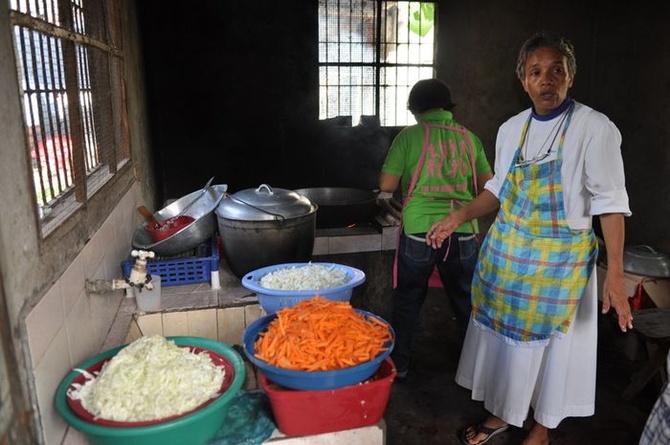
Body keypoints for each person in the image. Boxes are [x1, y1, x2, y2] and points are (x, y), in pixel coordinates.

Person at [426, 31, 633, 445]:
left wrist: (616, 275)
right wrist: (459, 215)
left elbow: (610, 203)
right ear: (523, 80)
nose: (547, 80)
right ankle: (503, 412)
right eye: (536, 71)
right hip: (511, 254)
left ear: (571, 76)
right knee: (505, 345)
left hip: (560, 262)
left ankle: (541, 427)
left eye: (557, 70)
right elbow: (498, 189)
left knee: (555, 356)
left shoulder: (594, 128)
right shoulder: (511, 129)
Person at [379, 78, 493, 380]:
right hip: (463, 230)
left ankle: (399, 365)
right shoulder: (470, 138)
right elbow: (488, 187)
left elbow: (386, 185)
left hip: (419, 230)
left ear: (415, 109)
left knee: (408, 299)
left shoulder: (409, 136)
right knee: (467, 301)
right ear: (447, 107)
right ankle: (478, 373)